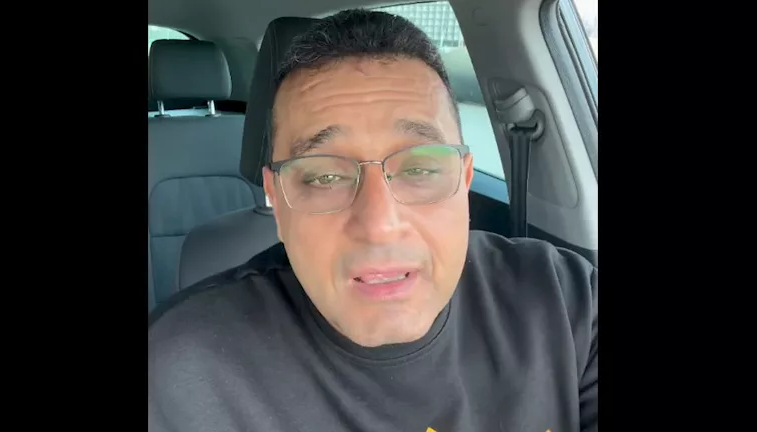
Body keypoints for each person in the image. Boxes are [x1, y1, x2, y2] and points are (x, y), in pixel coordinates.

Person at [149, 9, 597, 432]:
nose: (379, 224)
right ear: (278, 202)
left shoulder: (567, 302)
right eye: (324, 176)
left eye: (419, 167)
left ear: (463, 182)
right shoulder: (178, 375)